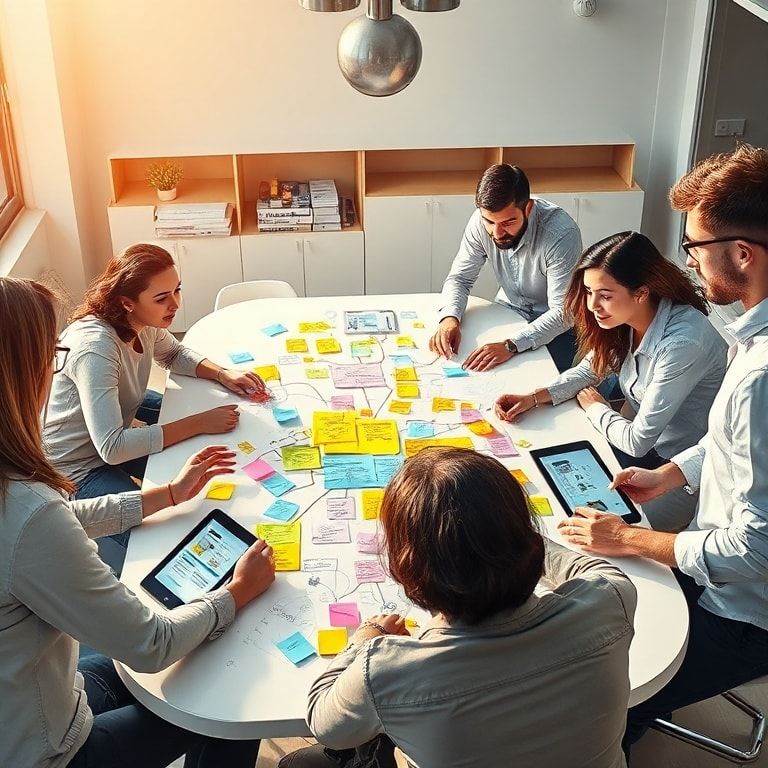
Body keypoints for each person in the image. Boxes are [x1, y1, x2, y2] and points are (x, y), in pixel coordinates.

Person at [0, 277, 276, 768]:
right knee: (231, 706)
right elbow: (153, 644)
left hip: (47, 699)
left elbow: (58, 521)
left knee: (169, 653)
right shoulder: (26, 508)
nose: (53, 370)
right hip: (52, 752)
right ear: (21, 374)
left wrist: (165, 495)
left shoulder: (20, 499)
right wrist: (236, 593)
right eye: (50, 357)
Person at [557, 145, 768, 758]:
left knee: (585, 691)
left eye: (696, 248)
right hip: (713, 561)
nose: (692, 264)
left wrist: (629, 540)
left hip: (741, 613)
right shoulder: (746, 340)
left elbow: (753, 550)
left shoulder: (760, 374)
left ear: (742, 254)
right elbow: (727, 443)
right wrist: (671, 474)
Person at [280, 448, 636, 768]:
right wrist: (503, 533)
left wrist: (364, 639)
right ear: (526, 538)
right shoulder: (610, 599)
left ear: (407, 569)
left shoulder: (385, 671)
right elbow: (596, 569)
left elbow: (325, 724)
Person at [44, 243, 269, 570]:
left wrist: (223, 373)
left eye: (177, 290)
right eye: (162, 298)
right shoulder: (95, 349)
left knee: (203, 452)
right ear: (126, 302)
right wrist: (198, 422)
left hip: (116, 422)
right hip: (77, 469)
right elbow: (112, 448)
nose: (175, 304)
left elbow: (175, 355)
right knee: (161, 540)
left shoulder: (142, 322)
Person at [495, 231, 727, 531]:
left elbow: (637, 442)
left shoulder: (683, 343)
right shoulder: (628, 318)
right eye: (589, 292)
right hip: (643, 453)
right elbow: (592, 369)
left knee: (588, 526)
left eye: (605, 295)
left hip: (682, 472)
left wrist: (597, 408)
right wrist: (535, 396)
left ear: (641, 292)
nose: (592, 305)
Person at [429, 164, 582, 373]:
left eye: (508, 222)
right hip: (508, 309)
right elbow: (460, 278)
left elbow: (564, 313)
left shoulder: (561, 235)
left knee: (541, 386)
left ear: (528, 208)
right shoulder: (481, 222)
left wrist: (511, 345)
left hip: (558, 328)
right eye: (489, 222)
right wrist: (449, 318)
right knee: (475, 369)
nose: (497, 232)